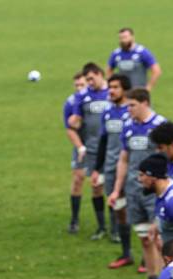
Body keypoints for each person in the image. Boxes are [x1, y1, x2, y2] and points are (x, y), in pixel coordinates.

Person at [108, 88, 166, 279]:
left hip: (154, 192)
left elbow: (166, 160)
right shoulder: (129, 127)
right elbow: (124, 159)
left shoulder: (160, 126)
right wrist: (117, 189)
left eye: (131, 105)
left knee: (158, 239)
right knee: (144, 239)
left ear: (144, 103)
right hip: (134, 190)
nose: (128, 109)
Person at [68, 63, 110, 239]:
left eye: (90, 79)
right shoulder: (77, 99)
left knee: (110, 187)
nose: (87, 83)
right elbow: (72, 126)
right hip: (88, 149)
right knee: (82, 181)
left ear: (100, 75)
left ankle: (113, 228)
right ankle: (76, 220)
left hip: (110, 149)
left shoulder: (113, 93)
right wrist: (80, 146)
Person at [91, 74, 131, 248]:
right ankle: (115, 230)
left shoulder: (132, 111)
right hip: (109, 163)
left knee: (129, 200)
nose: (111, 91)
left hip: (129, 165)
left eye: (116, 87)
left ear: (125, 90)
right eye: (110, 87)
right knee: (113, 197)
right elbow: (103, 140)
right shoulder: (107, 111)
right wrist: (96, 168)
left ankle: (129, 231)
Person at [63, 72, 87, 233]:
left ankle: (109, 226)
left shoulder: (101, 100)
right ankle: (74, 219)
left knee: (101, 185)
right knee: (78, 179)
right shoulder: (70, 103)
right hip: (81, 146)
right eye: (76, 85)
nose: (79, 88)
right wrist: (80, 147)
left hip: (101, 147)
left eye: (82, 85)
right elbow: (70, 130)